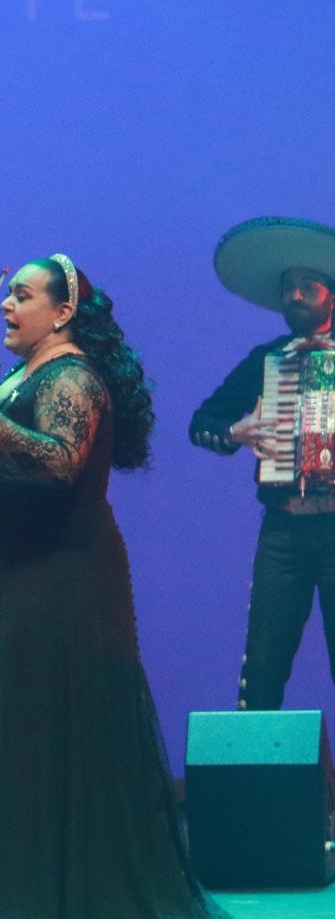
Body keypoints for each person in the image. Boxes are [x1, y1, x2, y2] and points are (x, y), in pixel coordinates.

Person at [0, 256, 246, 919]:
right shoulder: (25, 373)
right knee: (26, 734)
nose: (7, 307)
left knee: (61, 728)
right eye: (9, 296)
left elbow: (59, 462)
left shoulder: (74, 375)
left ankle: (85, 899)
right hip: (18, 574)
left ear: (62, 312)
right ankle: (40, 900)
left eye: (22, 297)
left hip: (62, 581)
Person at [189, 216, 335, 710]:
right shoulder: (265, 359)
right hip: (283, 534)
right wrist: (235, 433)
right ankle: (259, 782)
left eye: (306, 287)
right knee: (263, 666)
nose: (294, 296)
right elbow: (202, 421)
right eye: (287, 288)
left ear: (330, 294)